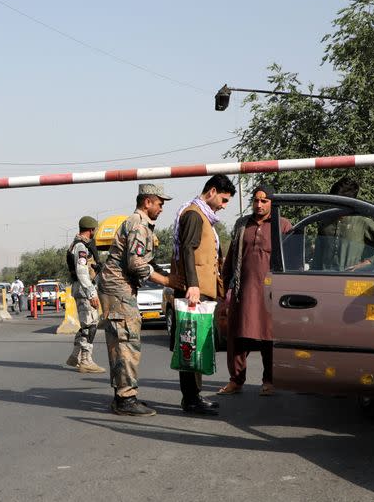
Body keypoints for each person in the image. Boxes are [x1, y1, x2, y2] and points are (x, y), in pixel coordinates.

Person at [97, 184, 174, 416]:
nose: (161, 208)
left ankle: (123, 395)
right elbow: (137, 264)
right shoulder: (138, 225)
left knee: (123, 342)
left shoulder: (141, 225)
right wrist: (167, 281)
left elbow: (145, 261)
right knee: (126, 342)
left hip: (119, 288)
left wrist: (167, 275)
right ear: (147, 202)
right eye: (160, 203)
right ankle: (125, 399)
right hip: (118, 289)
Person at [171, 174, 236, 415]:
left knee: (196, 345)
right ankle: (190, 399)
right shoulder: (193, 214)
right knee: (190, 345)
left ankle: (195, 396)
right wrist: (193, 285)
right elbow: (187, 249)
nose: (224, 205)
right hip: (194, 292)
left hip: (201, 292)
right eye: (224, 199)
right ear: (212, 191)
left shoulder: (203, 217)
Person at [218, 185, 291, 397]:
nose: (259, 205)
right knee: (237, 337)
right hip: (244, 291)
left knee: (269, 338)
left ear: (272, 203)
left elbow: (293, 259)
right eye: (256, 200)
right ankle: (236, 381)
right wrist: (225, 291)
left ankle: (269, 381)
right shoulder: (243, 225)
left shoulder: (283, 225)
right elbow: (231, 260)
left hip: (271, 293)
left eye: (264, 201)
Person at [312, 177, 374, 271]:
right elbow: (317, 257)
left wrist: (368, 262)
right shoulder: (325, 222)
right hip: (325, 280)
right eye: (333, 201)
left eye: (338, 202)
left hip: (352, 280)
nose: (334, 205)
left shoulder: (361, 221)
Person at [65, 216, 106, 373]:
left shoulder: (76, 244)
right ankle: (86, 360)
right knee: (90, 325)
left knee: (87, 324)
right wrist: (91, 293)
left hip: (80, 288)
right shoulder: (81, 247)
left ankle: (75, 356)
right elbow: (82, 272)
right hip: (84, 289)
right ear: (91, 230)